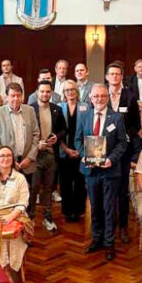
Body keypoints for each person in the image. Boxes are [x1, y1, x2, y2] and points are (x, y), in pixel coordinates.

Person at [77, 84, 127, 261]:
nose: (99, 99)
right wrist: (83, 155)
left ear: (108, 98)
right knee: (95, 206)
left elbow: (122, 143)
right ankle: (96, 239)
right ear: (90, 98)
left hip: (109, 171)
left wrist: (111, 159)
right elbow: (77, 140)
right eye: (96, 96)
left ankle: (109, 243)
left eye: (103, 96)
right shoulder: (84, 116)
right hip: (91, 171)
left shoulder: (117, 118)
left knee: (109, 208)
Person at [105, 62, 138, 242]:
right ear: (107, 77)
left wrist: (124, 137)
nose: (115, 77)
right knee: (108, 189)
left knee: (123, 190)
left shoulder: (130, 97)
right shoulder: (102, 96)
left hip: (124, 151)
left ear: (121, 76)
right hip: (107, 152)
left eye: (118, 74)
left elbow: (136, 126)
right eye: (112, 74)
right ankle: (108, 225)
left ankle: (123, 227)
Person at [31, 81, 66, 232]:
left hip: (51, 155)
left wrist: (57, 138)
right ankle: (30, 218)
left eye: (47, 92)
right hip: (35, 155)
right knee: (33, 188)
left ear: (51, 92)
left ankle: (47, 217)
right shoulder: (29, 109)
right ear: (37, 92)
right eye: (42, 91)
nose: (45, 94)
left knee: (49, 188)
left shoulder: (57, 109)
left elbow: (64, 130)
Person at [0, 83, 40, 184]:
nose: (16, 99)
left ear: (22, 96)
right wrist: (9, 161)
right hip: (6, 166)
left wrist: (30, 158)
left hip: (27, 164)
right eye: (12, 96)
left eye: (18, 95)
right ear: (7, 97)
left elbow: (36, 135)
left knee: (27, 196)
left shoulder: (30, 110)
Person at [58, 80, 87, 223]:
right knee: (65, 182)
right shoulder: (58, 107)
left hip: (81, 150)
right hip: (64, 150)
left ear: (77, 91)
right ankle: (67, 211)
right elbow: (56, 131)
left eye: (72, 89)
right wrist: (66, 149)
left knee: (80, 181)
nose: (70, 92)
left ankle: (79, 210)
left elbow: (88, 132)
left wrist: (80, 151)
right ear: (63, 93)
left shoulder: (86, 107)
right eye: (67, 90)